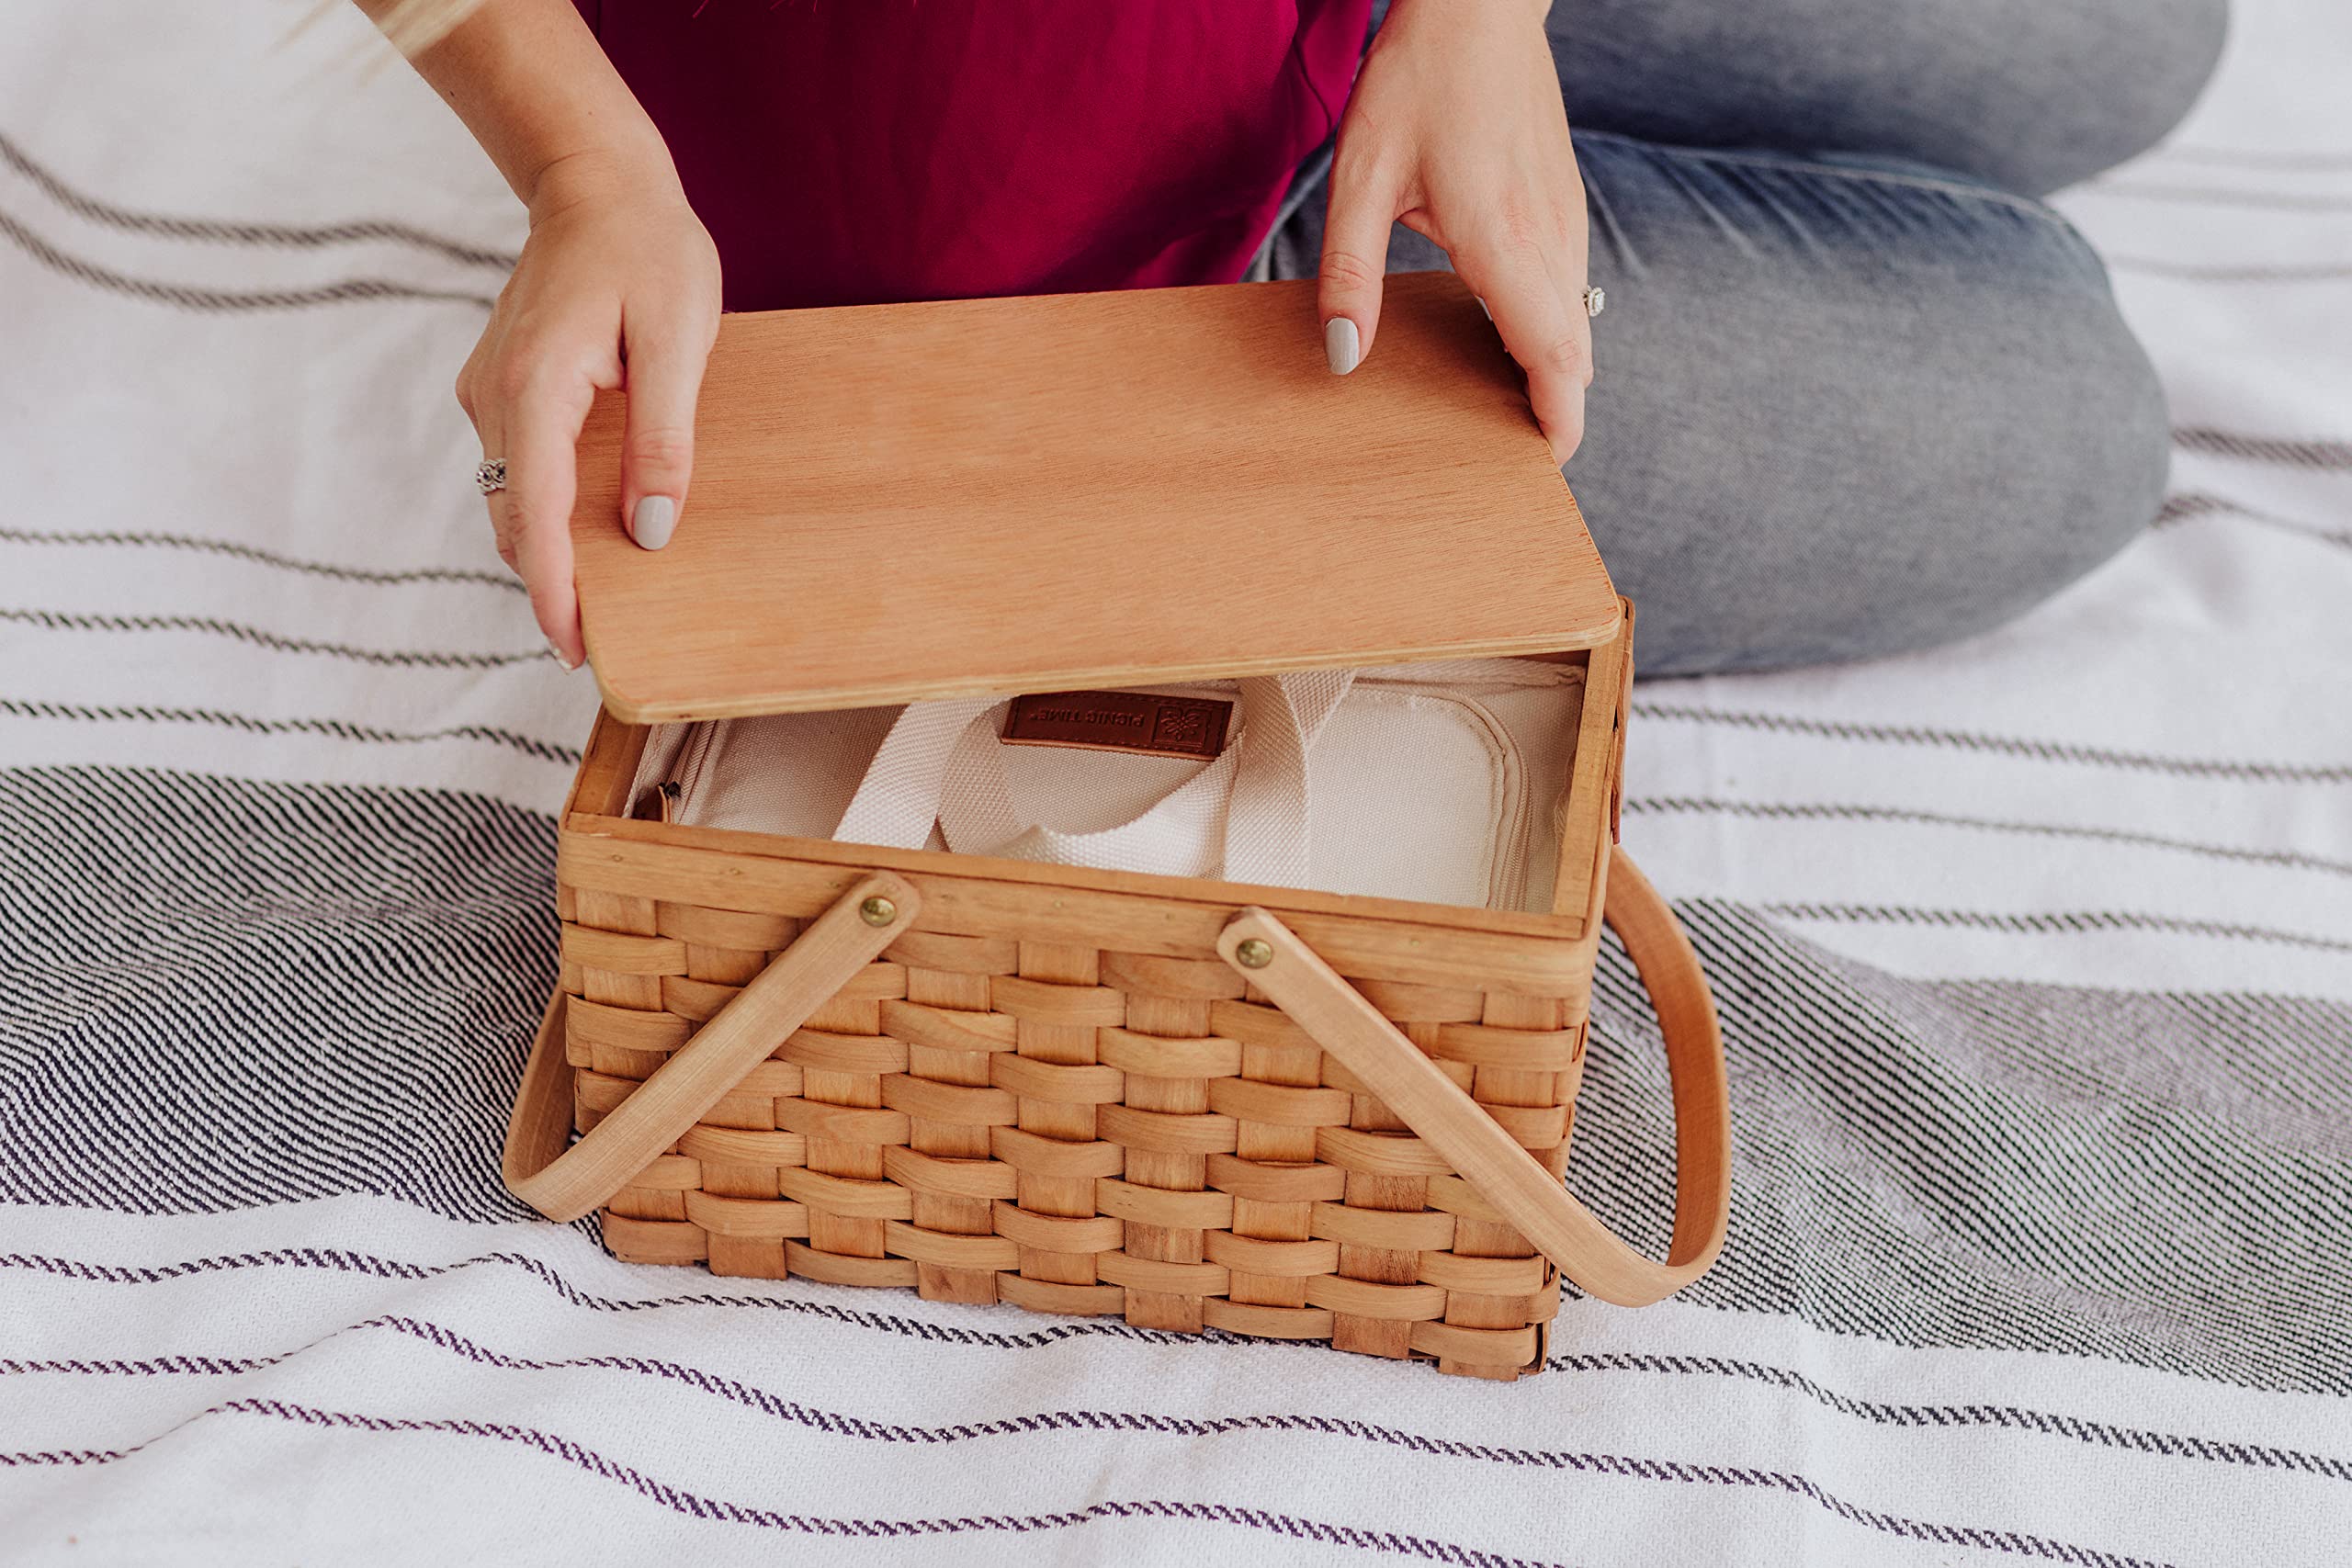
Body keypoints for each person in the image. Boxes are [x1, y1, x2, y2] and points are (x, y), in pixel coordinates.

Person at [367, 0, 2225, 676]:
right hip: (1030, 240)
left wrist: (1480, 18)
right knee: (2067, 413)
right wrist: (585, 156)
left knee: (2133, 29)